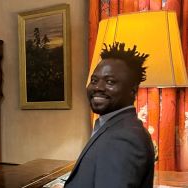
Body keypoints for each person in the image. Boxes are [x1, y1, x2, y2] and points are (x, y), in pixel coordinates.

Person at [63, 42, 155, 188]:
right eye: (94, 80)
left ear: (132, 90)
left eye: (110, 81)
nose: (98, 87)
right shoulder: (117, 127)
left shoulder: (123, 139)